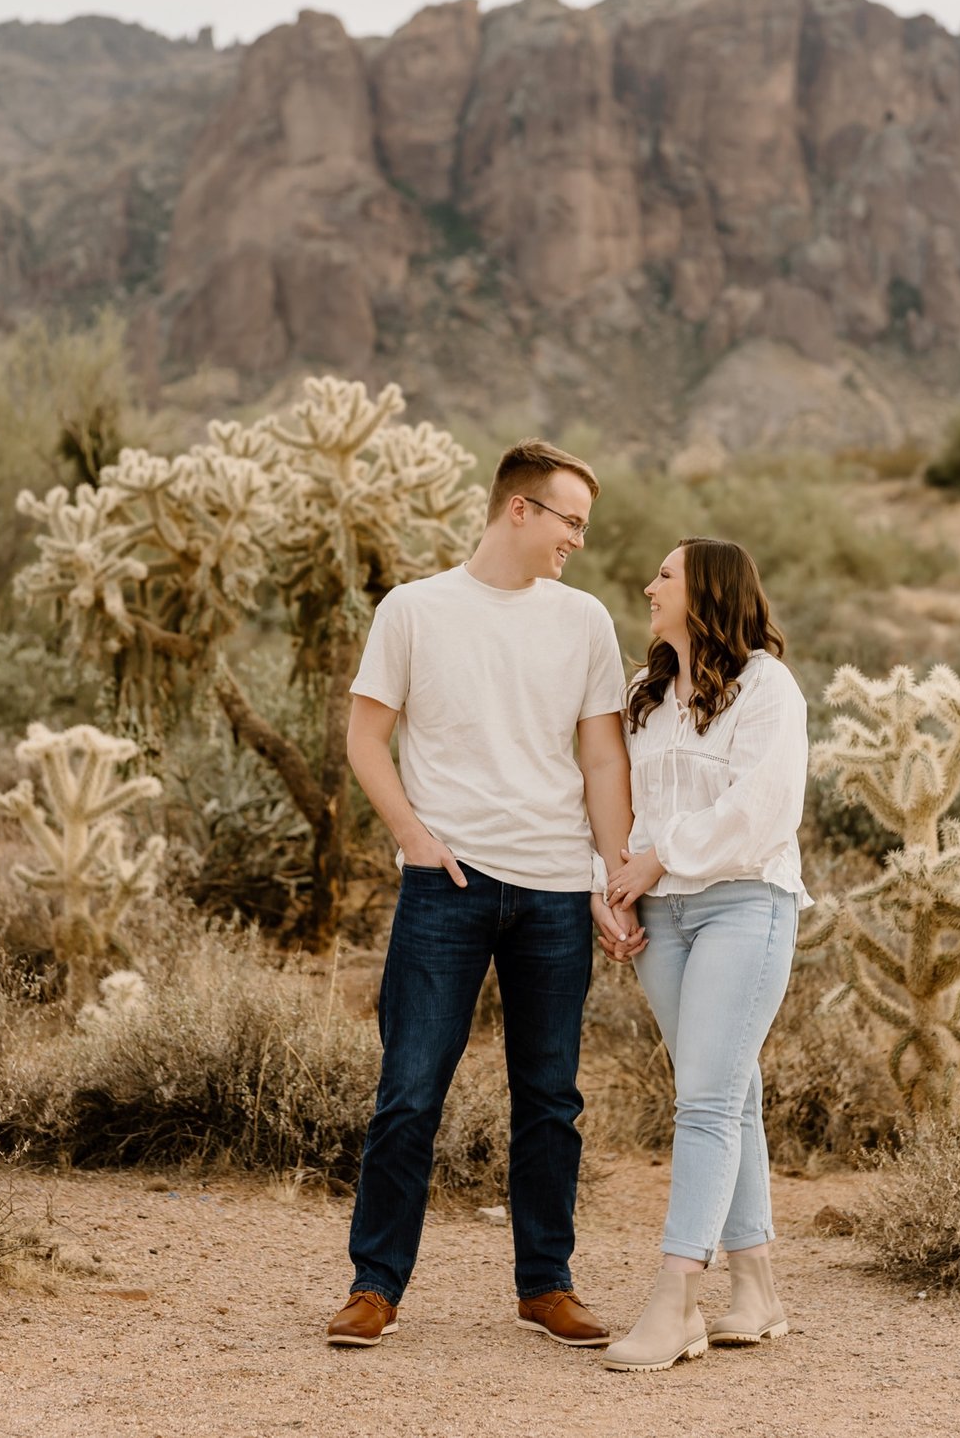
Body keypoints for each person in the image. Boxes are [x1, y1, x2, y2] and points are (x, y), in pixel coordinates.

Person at [327, 440, 640, 1351]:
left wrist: (608, 874)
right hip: (447, 887)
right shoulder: (415, 610)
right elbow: (364, 738)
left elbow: (601, 756)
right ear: (519, 510)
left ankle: (547, 1285)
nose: (577, 540)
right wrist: (414, 839)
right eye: (569, 521)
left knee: (551, 1100)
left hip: (551, 888)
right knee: (409, 1091)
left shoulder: (583, 620)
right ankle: (374, 1287)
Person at [598, 537, 809, 1372]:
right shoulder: (643, 695)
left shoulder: (766, 688)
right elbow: (611, 800)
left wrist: (658, 857)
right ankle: (756, 1291)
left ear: (707, 592)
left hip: (742, 906)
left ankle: (678, 1298)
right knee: (725, 1090)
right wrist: (606, 884)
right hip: (660, 917)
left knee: (708, 1103)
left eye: (665, 575)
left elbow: (759, 810)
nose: (649, 585)